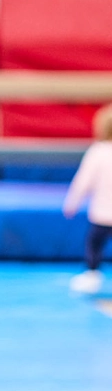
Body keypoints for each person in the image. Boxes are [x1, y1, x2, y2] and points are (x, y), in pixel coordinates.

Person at [63, 104, 112, 294]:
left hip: (102, 214)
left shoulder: (97, 152)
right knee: (94, 242)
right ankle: (92, 274)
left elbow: (83, 181)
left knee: (94, 244)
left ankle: (92, 273)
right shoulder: (98, 152)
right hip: (102, 212)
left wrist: (72, 203)